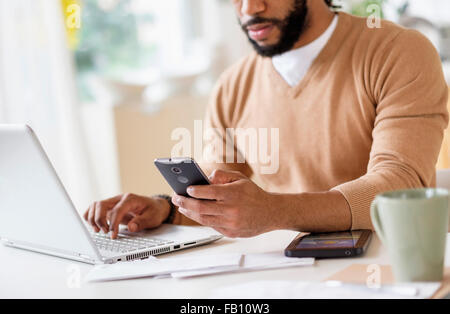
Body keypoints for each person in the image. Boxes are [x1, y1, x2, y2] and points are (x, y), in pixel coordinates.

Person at [84, 0, 449, 239]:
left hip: (385, 267)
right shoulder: (232, 86)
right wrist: (164, 209)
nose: (249, 9)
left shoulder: (398, 52)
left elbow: (399, 189)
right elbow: (219, 201)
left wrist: (275, 211)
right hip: (285, 272)